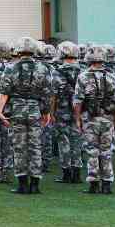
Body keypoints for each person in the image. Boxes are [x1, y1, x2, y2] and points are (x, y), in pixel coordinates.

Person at [0, 37, 53, 195]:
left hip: (17, 110)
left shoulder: (10, 68)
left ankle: (22, 184)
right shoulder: (43, 68)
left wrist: (0, 111)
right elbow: (47, 94)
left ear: (18, 50)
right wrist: (46, 112)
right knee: (35, 147)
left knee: (19, 148)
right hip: (35, 110)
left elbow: (4, 92)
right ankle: (35, 184)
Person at [74, 45, 115, 194]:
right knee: (106, 151)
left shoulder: (83, 76)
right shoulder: (112, 76)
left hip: (90, 118)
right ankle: (107, 184)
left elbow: (78, 101)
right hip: (108, 118)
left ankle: (93, 184)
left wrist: (78, 119)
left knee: (92, 151)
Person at [50, 42, 83, 184]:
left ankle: (66, 173)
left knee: (64, 142)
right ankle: (77, 174)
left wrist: (51, 113)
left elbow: (53, 95)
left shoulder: (57, 72)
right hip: (79, 111)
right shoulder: (83, 70)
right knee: (77, 141)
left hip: (61, 111)